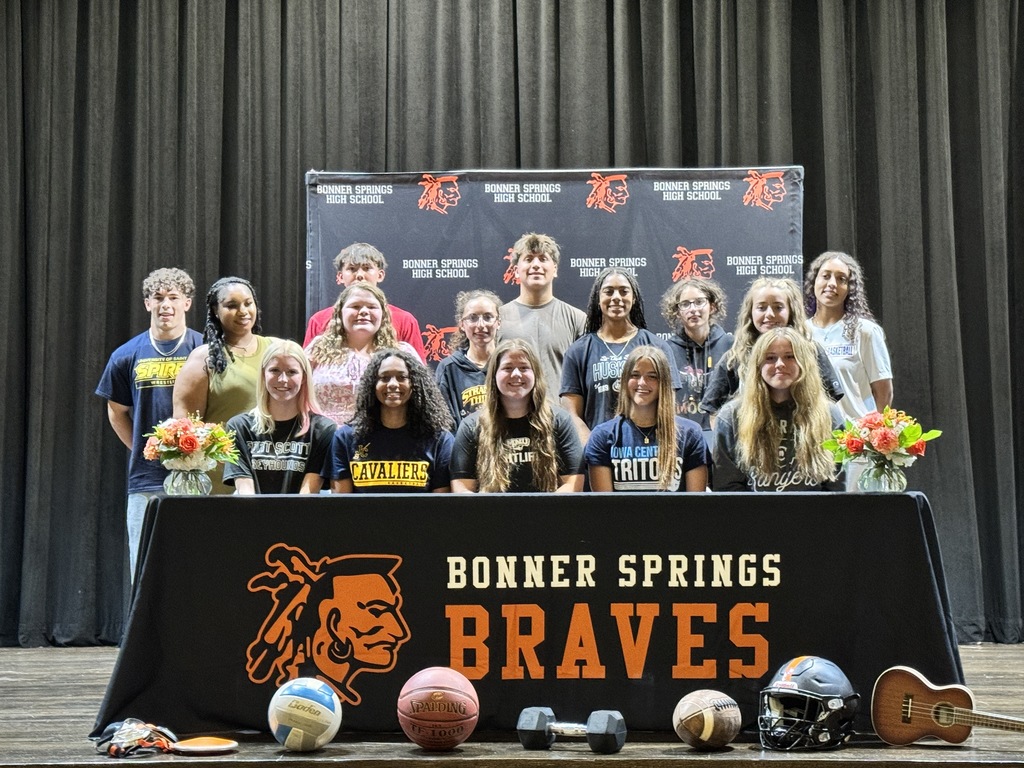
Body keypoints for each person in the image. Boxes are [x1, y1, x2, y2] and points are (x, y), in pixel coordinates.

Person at [95, 268, 203, 578]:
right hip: (145, 480)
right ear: (147, 304)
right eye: (158, 298)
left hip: (199, 478)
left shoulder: (205, 348)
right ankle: (145, 628)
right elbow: (116, 412)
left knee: (194, 566)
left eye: (173, 297)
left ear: (187, 303)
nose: (165, 305)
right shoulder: (126, 355)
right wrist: (143, 450)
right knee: (144, 569)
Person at [173, 276, 275, 494]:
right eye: (232, 305)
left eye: (248, 303)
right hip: (222, 483)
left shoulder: (276, 350)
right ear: (215, 310)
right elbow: (184, 428)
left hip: (271, 474)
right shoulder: (202, 359)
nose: (243, 311)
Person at [712, 327, 845, 491]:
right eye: (770, 358)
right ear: (757, 365)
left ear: (804, 362)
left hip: (813, 516)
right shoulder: (731, 416)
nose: (780, 364)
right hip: (751, 516)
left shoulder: (830, 415)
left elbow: (836, 488)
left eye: (790, 357)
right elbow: (727, 488)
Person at [560, 267, 681, 444]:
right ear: (597, 298)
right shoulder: (578, 351)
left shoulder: (657, 346)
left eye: (624, 291)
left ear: (634, 298)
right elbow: (571, 414)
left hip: (647, 450)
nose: (616, 297)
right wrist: (594, 450)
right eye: (608, 291)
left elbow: (667, 407)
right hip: (598, 453)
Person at [450, 339, 584, 493]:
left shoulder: (560, 421)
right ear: (494, 375)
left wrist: (540, 513)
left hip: (546, 515)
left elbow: (573, 484)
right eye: (507, 368)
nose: (516, 374)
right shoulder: (471, 426)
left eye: (524, 368)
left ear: (536, 374)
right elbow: (462, 489)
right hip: (492, 515)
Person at [700, 277, 843, 418]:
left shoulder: (812, 351)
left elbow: (829, 404)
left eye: (778, 307)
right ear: (751, 312)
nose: (769, 314)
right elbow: (715, 412)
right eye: (761, 308)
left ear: (791, 311)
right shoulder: (735, 358)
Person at [325, 348, 454, 493]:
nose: (393, 384)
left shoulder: (439, 440)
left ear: (415, 384)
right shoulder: (345, 438)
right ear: (372, 385)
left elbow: (440, 507)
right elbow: (341, 506)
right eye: (384, 378)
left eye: (402, 377)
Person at [585, 346, 708, 491]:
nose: (642, 383)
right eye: (635, 375)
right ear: (625, 380)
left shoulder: (690, 434)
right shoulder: (602, 436)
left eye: (652, 376)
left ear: (664, 382)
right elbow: (605, 508)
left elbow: (696, 507)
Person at [223, 341, 336, 494]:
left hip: (300, 515)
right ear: (263, 374)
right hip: (252, 515)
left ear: (303, 377)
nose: (283, 379)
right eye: (275, 370)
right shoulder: (239, 427)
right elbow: (245, 491)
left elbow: (309, 492)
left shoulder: (323, 429)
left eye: (291, 372)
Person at [306, 282, 417, 425]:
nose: (364, 311)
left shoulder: (402, 353)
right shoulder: (317, 348)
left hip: (378, 439)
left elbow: (422, 400)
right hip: (324, 439)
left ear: (383, 314)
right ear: (340, 312)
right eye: (355, 306)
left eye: (371, 307)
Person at [804, 250, 893, 421]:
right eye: (826, 276)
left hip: (853, 439)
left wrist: (874, 436)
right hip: (813, 438)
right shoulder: (800, 333)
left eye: (841, 279)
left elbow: (884, 393)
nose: (832, 283)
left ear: (849, 289)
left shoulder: (865, 331)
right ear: (814, 281)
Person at [498, 232, 586, 402]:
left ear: (555, 269)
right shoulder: (497, 319)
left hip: (561, 423)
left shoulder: (577, 319)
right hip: (510, 421)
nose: (536, 265)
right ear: (516, 271)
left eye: (543, 259)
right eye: (529, 259)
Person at [303, 242, 426, 362]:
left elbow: (418, 374)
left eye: (367, 268)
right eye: (352, 269)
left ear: (380, 275)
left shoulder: (405, 320)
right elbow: (306, 373)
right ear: (340, 277)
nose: (360, 275)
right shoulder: (319, 320)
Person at [660, 277, 734, 445]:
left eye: (699, 302)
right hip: (682, 436)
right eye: (685, 304)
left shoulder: (731, 346)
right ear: (677, 312)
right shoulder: (666, 350)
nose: (693, 309)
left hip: (723, 436)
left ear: (712, 306)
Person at [434, 289, 502, 429]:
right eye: (473, 317)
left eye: (488, 317)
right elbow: (445, 423)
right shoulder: (449, 368)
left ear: (498, 322)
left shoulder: (509, 365)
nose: (481, 325)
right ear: (462, 324)